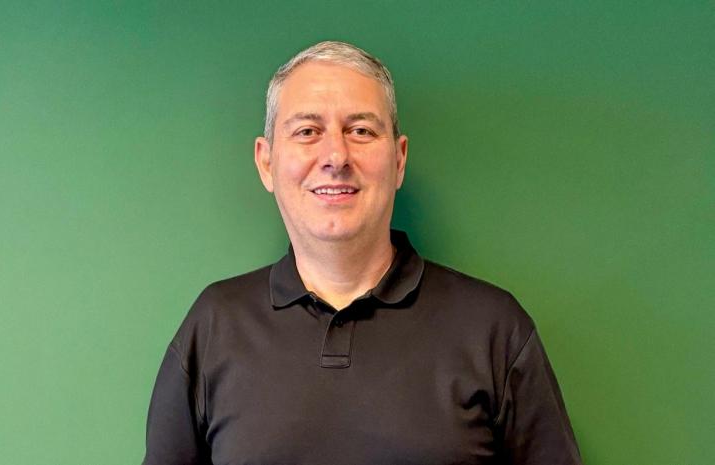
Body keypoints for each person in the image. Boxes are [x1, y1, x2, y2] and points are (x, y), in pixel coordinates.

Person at [142, 40, 583, 465]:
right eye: (307, 131)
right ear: (267, 162)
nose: (336, 156)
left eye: (361, 131)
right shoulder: (214, 326)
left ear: (399, 160)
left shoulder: (494, 330)